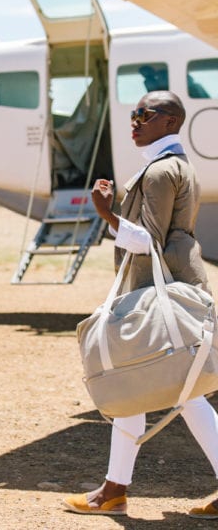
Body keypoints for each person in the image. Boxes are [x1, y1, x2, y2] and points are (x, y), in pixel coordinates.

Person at [63, 90, 218, 519]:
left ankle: (113, 491)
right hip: (170, 288)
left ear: (171, 122)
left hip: (162, 290)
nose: (135, 120)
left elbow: (148, 240)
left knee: (165, 388)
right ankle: (113, 490)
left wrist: (107, 213)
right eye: (133, 113)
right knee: (158, 389)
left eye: (145, 114)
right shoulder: (170, 165)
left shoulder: (161, 171)